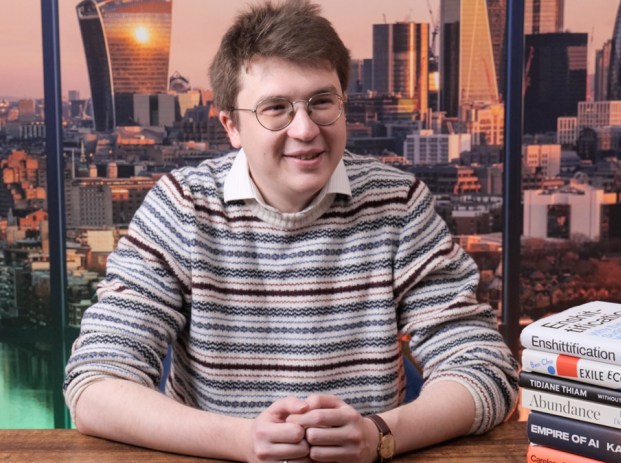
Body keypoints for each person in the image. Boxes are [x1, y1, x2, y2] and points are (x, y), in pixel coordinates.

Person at [63, 1, 519, 462]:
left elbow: (485, 369)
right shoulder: (183, 206)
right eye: (276, 108)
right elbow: (95, 386)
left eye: (322, 101)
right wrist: (242, 441)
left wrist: (379, 435)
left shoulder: (398, 203)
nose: (305, 130)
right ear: (231, 126)